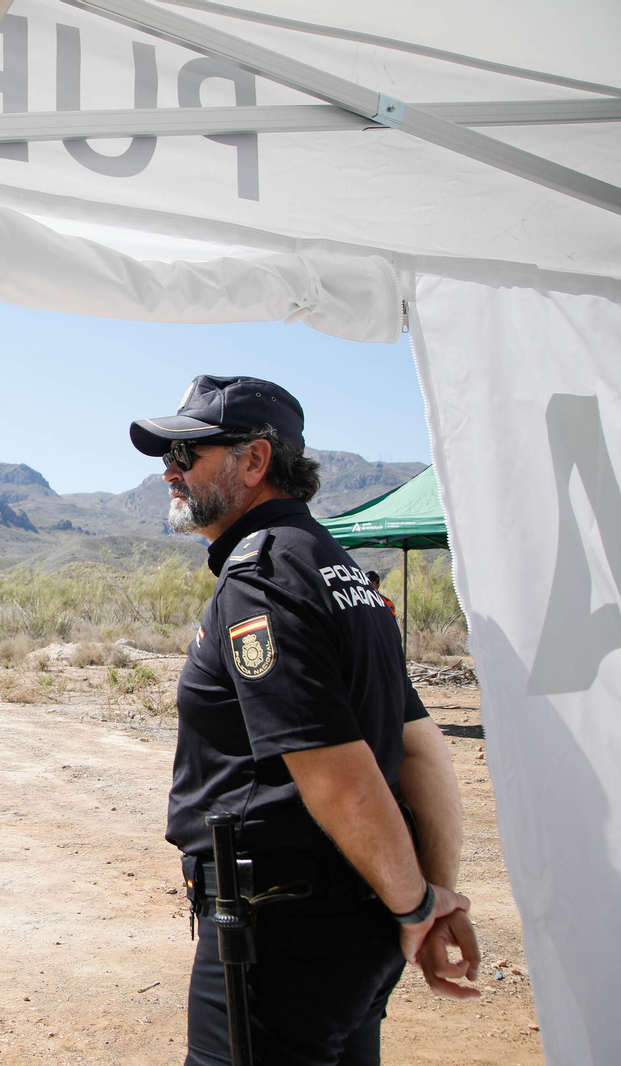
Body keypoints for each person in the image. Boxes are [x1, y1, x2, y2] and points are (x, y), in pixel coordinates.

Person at [130, 375, 478, 1065]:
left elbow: (341, 782)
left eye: (187, 454)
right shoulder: (343, 573)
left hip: (282, 931)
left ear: (255, 461)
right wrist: (428, 896)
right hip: (356, 922)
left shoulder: (262, 579)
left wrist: (418, 906)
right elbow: (422, 751)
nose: (169, 471)